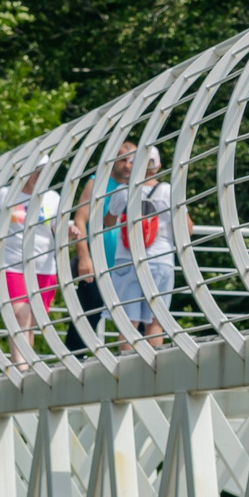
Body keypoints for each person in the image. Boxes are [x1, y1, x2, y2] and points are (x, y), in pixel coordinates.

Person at [0, 153, 65, 362]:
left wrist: (71, 230)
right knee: (20, 315)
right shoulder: (5, 195)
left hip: (44, 266)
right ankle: (20, 368)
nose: (39, 175)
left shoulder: (53, 198)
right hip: (12, 263)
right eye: (36, 170)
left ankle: (27, 364)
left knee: (30, 321)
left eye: (43, 171)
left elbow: (58, 229)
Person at [104, 147, 180, 342]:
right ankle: (155, 370)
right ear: (158, 166)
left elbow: (108, 222)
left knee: (128, 322)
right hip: (160, 259)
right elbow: (186, 228)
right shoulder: (168, 191)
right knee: (155, 321)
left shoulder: (123, 192)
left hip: (127, 261)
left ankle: (126, 369)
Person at [66, 137, 134, 346]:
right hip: (98, 264)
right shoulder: (98, 183)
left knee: (133, 320)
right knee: (86, 318)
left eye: (132, 161)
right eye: (123, 160)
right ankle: (72, 364)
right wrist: (84, 257)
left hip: (128, 267)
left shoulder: (140, 187)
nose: (128, 165)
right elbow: (80, 218)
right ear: (113, 160)